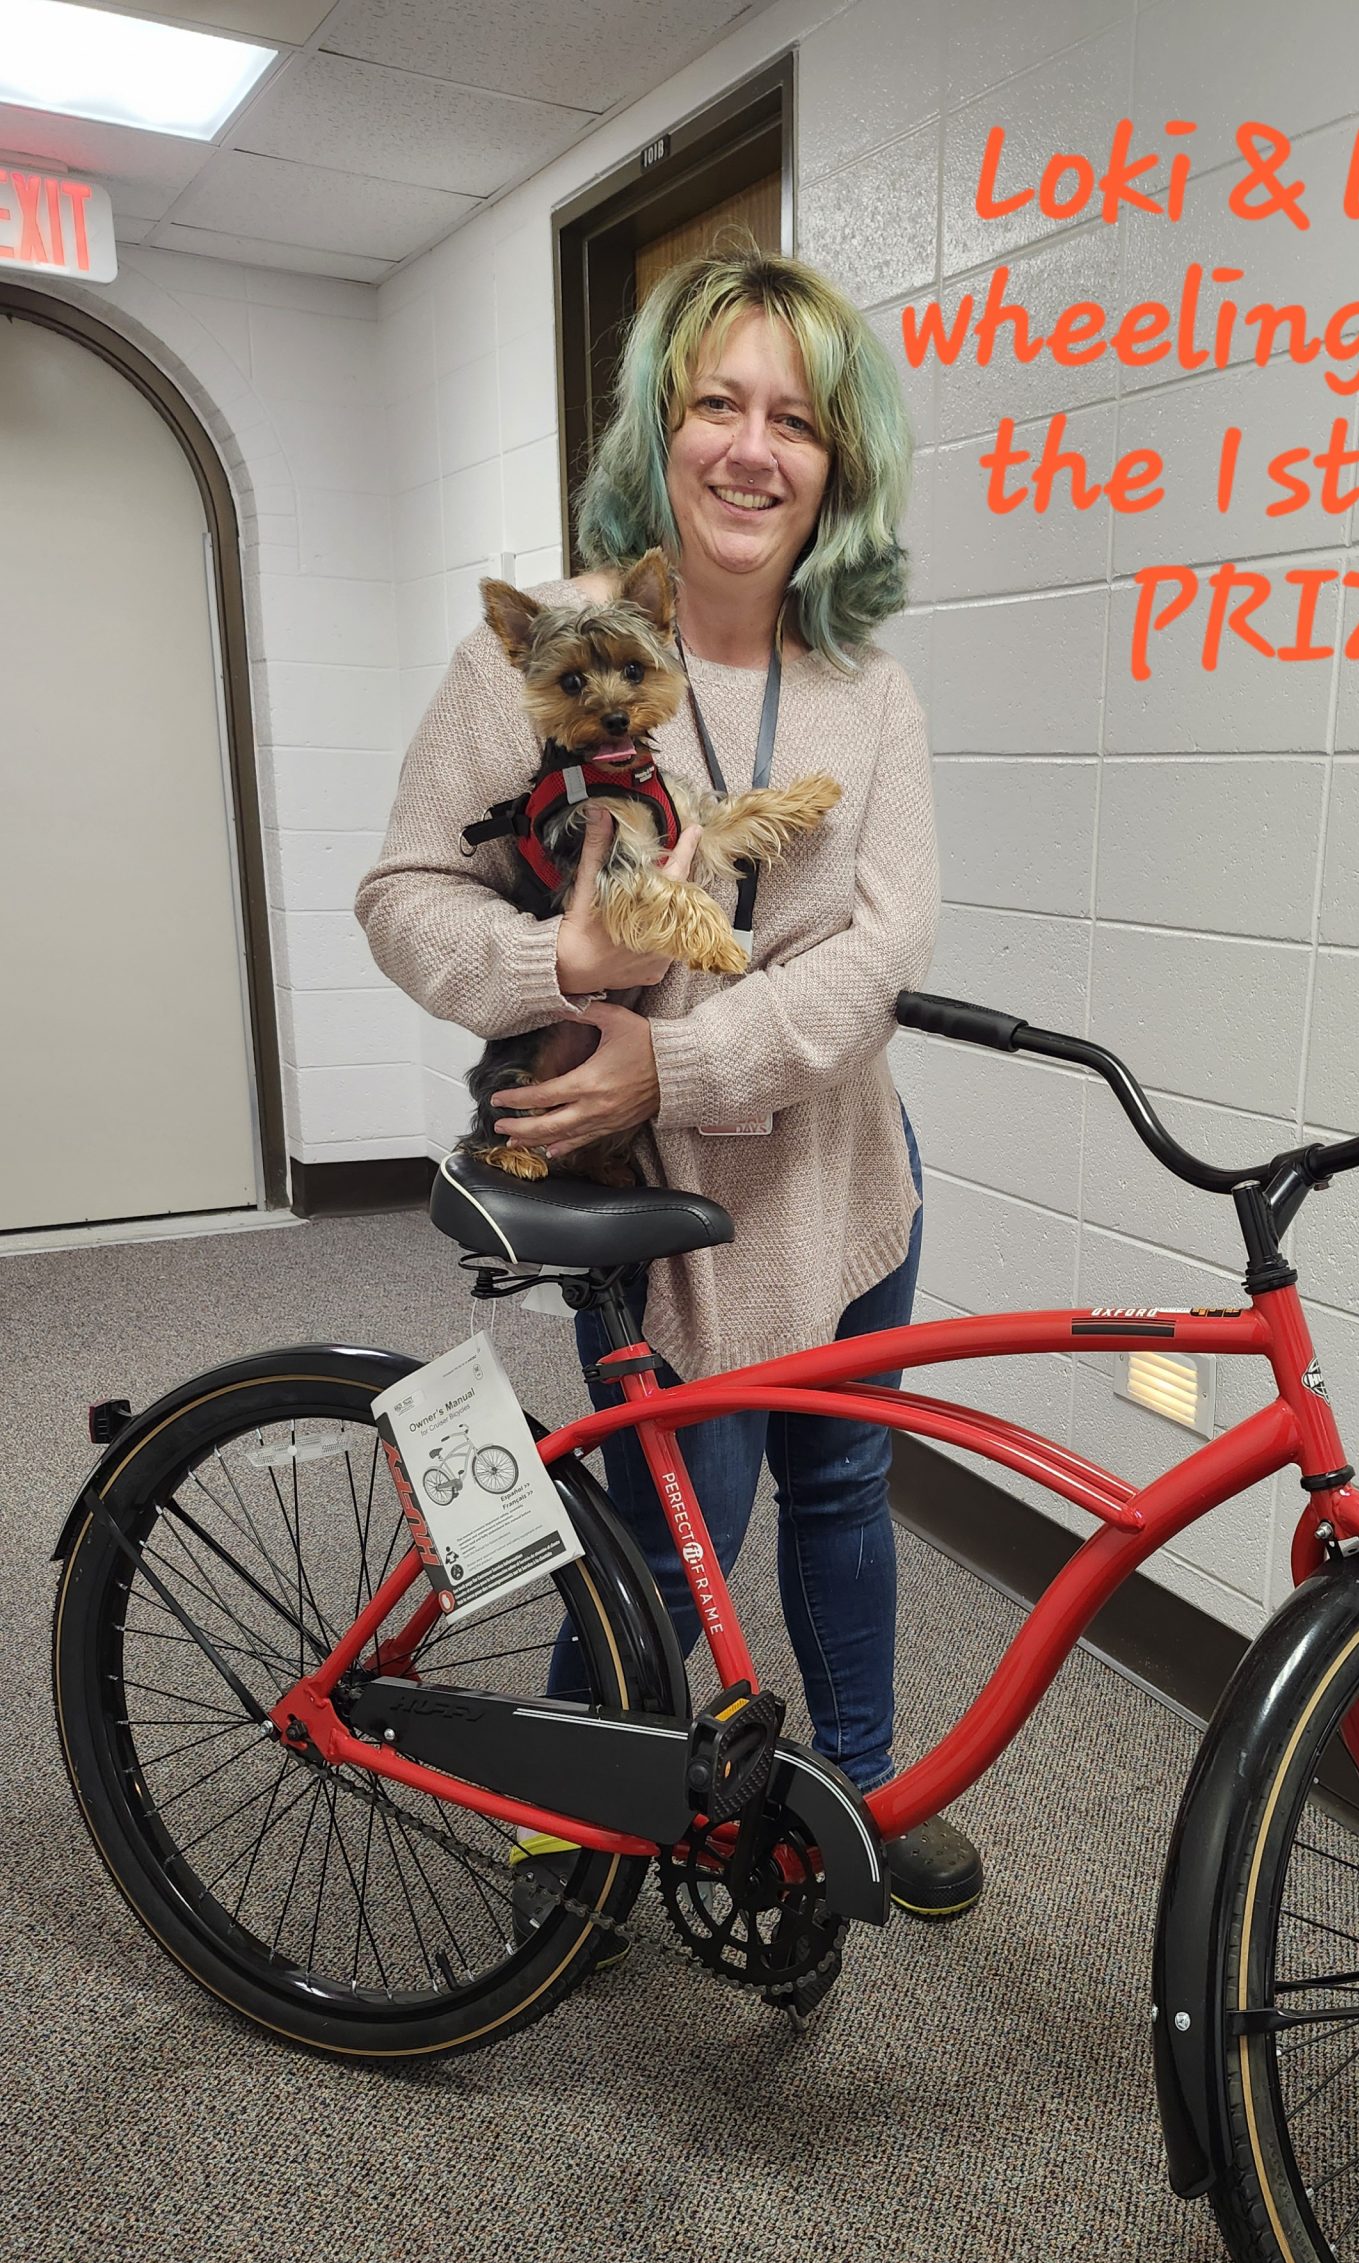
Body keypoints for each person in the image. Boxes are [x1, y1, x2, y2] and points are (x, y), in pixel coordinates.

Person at [355, 244, 981, 1920]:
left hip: (843, 1174)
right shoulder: (543, 648)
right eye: (718, 403)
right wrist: (558, 970)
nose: (751, 449)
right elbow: (405, 895)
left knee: (843, 1484)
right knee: (663, 1505)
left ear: (835, 464)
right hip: (643, 1190)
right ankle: (580, 1802)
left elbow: (882, 951)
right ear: (666, 426)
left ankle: (862, 1780)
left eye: (795, 417)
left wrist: (683, 1051)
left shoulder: (872, 691)